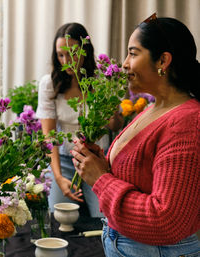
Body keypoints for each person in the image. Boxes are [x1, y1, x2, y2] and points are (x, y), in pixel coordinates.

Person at [71, 16, 200, 256]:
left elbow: (168, 221)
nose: (124, 64)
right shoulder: (152, 110)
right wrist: (100, 163)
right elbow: (141, 175)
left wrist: (101, 179)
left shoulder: (186, 123)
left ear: (163, 60)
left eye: (133, 53)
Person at [36, 23, 122, 216]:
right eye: (60, 55)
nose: (66, 61)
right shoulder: (49, 83)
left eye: (72, 53)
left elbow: (115, 126)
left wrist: (113, 108)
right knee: (60, 215)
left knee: (103, 216)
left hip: (99, 159)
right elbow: (49, 136)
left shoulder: (101, 80)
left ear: (85, 50)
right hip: (65, 161)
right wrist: (58, 177)